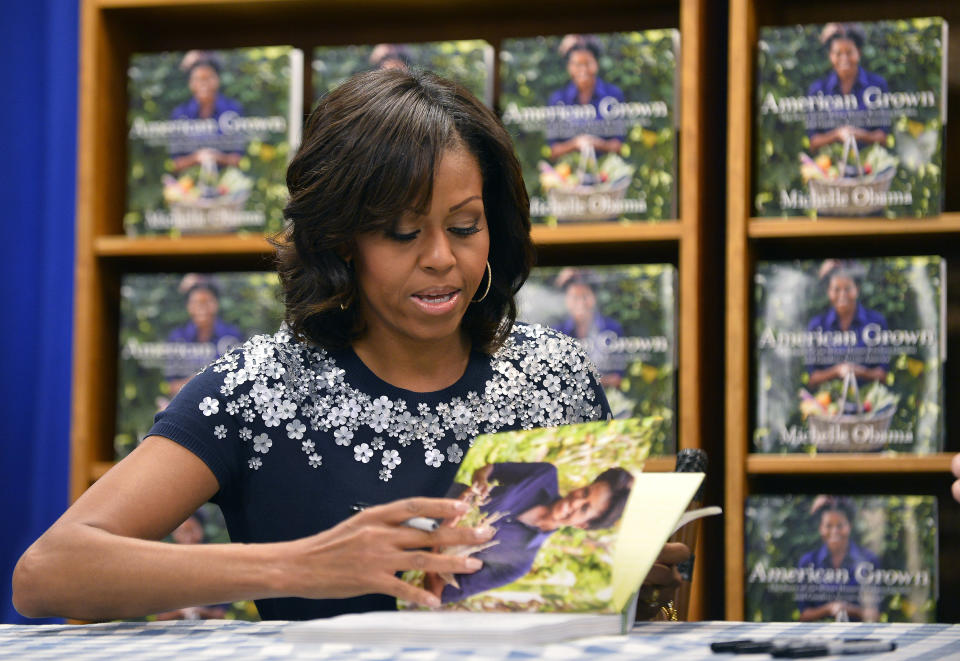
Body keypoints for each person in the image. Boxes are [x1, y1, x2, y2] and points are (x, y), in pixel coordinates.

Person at [13, 68, 688, 622]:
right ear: (340, 241)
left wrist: (634, 584)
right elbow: (49, 572)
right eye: (401, 232)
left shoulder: (553, 374)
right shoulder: (260, 390)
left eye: (465, 225)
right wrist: (301, 563)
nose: (440, 259)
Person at [427, 462, 633, 603]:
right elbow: (490, 469)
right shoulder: (544, 475)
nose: (575, 501)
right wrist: (480, 481)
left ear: (583, 525)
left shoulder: (518, 564)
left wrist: (441, 537)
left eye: (585, 508)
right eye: (585, 492)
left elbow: (436, 594)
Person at [805, 260, 888, 391]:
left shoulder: (876, 322)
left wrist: (858, 371)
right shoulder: (816, 326)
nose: (842, 295)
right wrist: (837, 371)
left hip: (868, 406)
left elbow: (883, 375)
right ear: (828, 291)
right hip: (828, 406)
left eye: (848, 289)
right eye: (836, 289)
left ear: (857, 289)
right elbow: (812, 379)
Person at [806, 23, 889, 153]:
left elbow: (883, 138)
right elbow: (813, 143)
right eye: (838, 53)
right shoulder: (817, 90)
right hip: (831, 168)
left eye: (849, 52)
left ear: (859, 53)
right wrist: (836, 134)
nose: (844, 59)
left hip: (869, 167)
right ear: (830, 56)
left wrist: (859, 134)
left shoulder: (877, 85)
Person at [796, 497, 880, 622]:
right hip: (818, 639)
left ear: (850, 526)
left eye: (840, 525)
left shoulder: (869, 561)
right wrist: (829, 609)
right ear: (820, 528)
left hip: (860, 639)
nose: (834, 531)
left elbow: (875, 615)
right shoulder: (807, 562)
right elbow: (803, 616)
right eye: (828, 526)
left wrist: (846, 608)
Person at [163, 275, 243, 401]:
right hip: (187, 404)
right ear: (188, 306)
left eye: (207, 302)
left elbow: (238, 381)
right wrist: (205, 380)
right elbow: (171, 386)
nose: (201, 307)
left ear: (216, 304)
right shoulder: (177, 337)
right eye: (195, 302)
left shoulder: (231, 336)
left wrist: (195, 381)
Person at [547, 35, 625, 160]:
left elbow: (619, 146)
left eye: (588, 63)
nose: (583, 69)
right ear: (569, 67)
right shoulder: (558, 99)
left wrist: (597, 144)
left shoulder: (613, 95)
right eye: (577, 64)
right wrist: (575, 144)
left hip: (606, 173)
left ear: (597, 64)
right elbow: (553, 151)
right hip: (568, 174)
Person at [169, 51, 245, 174]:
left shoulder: (233, 110)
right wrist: (197, 158)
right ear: (190, 83)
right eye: (198, 79)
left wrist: (216, 157)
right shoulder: (180, 114)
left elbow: (238, 160)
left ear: (218, 80)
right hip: (188, 187)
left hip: (227, 186)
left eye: (209, 78)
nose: (204, 84)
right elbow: (175, 164)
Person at [553, 268, 626, 389]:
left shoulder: (612, 329)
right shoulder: (558, 333)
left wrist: (577, 381)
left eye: (585, 296)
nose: (581, 303)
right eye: (574, 297)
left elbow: (617, 379)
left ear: (594, 297)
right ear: (566, 300)